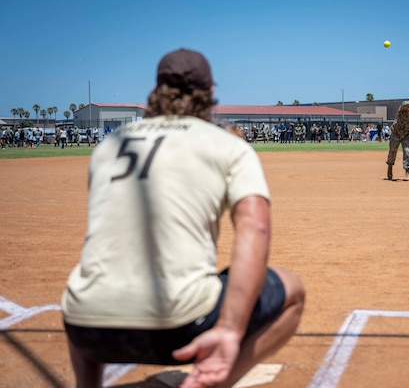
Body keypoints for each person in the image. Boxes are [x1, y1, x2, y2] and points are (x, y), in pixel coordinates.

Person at [61, 48, 305, 388]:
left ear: (155, 92)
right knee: (291, 289)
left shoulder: (111, 145)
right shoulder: (228, 145)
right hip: (179, 331)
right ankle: (210, 381)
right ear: (209, 95)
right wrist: (230, 331)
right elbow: (256, 227)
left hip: (86, 330)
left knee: (95, 282)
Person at [386, 91, 409, 181]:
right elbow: (404, 104)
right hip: (397, 132)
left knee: (407, 152)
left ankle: (407, 171)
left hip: (407, 133)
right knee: (392, 151)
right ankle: (390, 167)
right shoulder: (404, 106)